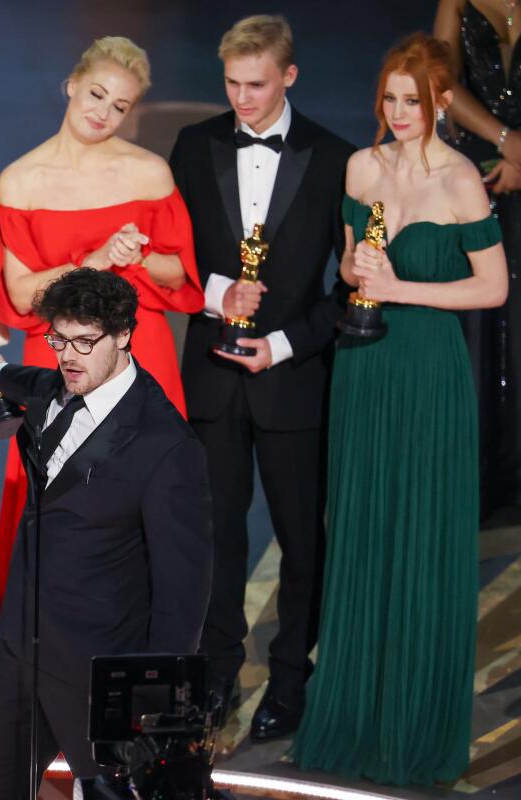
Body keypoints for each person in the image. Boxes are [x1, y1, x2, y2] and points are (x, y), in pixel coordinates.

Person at [291, 33, 507, 785]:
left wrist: (400, 291)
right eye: (389, 97)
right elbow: (355, 259)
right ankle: (353, 715)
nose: (399, 111)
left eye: (413, 99)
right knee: (361, 528)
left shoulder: (460, 183)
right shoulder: (361, 165)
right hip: (364, 366)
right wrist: (355, 269)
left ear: (442, 102)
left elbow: (492, 288)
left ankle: (414, 724)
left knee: (419, 531)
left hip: (426, 369)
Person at [168, 14, 354, 739]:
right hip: (211, 377)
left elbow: (350, 288)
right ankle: (214, 677)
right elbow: (173, 255)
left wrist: (284, 343)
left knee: (302, 539)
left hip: (294, 377)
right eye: (232, 85)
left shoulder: (335, 158)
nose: (242, 100)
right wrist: (217, 296)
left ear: (290, 76)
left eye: (257, 85)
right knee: (213, 536)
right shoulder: (194, 145)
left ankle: (289, 680)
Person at [0, 268, 212, 797]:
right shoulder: (56, 386)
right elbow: (29, 384)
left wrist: (153, 709)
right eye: (58, 340)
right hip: (18, 655)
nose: (68, 356)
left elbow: (182, 596)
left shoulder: (166, 445)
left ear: (124, 334)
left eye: (84, 342)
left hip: (98, 678)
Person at [0, 36, 204, 619]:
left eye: (119, 106)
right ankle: (40, 654)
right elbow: (23, 295)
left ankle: (149, 652)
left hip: (140, 351)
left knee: (151, 497)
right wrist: (97, 259)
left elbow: (178, 273)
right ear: (72, 85)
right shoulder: (19, 181)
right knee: (55, 496)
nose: (103, 112)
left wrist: (136, 256)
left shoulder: (148, 172)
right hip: (59, 357)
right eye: (96, 94)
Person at [435, 0, 521, 514]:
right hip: (481, 172)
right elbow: (441, 79)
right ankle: (479, 467)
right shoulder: (457, 2)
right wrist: (507, 143)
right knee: (478, 325)